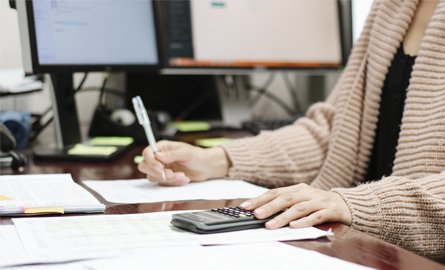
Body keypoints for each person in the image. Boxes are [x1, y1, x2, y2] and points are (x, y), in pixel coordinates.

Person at [138, 0, 445, 259]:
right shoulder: (393, 6)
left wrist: (353, 203)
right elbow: (335, 134)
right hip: (370, 249)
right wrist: (215, 160)